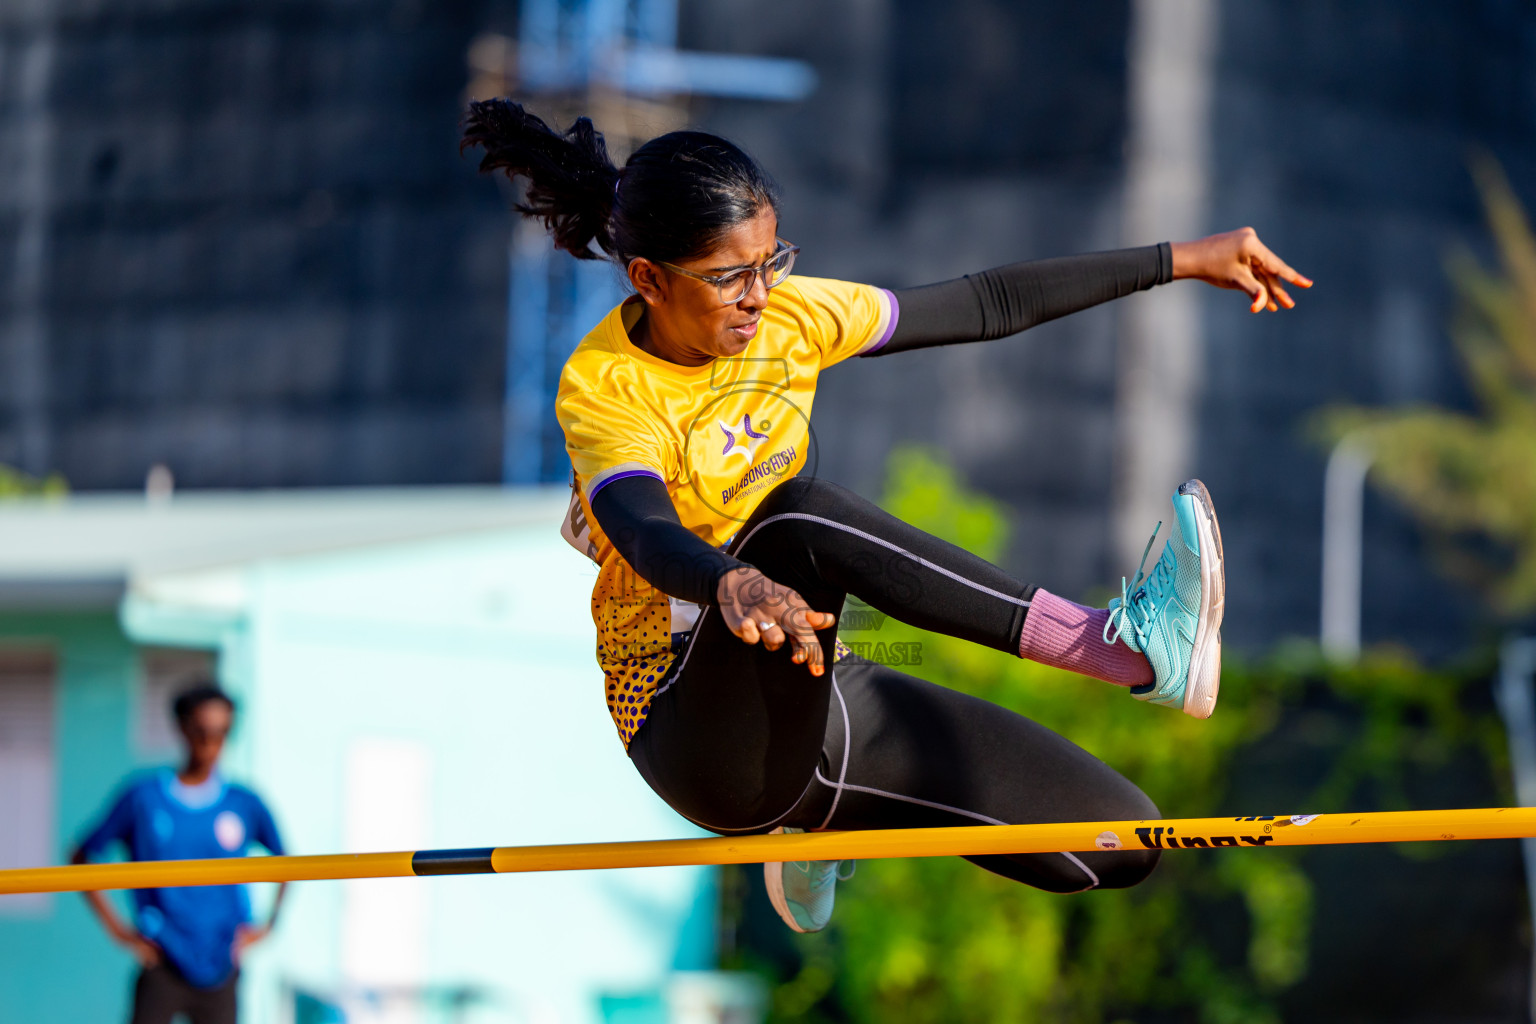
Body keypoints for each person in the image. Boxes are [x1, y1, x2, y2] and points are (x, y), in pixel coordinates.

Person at [461, 100, 1310, 933]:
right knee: (793, 520)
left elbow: (984, 304)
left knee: (1121, 841)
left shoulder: (789, 316)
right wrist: (732, 583)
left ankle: (814, 831)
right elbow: (645, 530)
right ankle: (1120, 649)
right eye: (730, 278)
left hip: (812, 692)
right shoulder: (606, 387)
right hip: (689, 719)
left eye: (770, 262)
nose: (758, 296)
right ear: (649, 278)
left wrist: (1181, 258)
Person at [72, 684, 287, 1024]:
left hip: (220, 963)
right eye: (202, 731)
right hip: (162, 959)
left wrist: (268, 925)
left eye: (222, 732)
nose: (211, 743)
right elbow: (81, 856)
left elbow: (285, 863)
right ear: (183, 728)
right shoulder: (144, 798)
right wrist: (120, 931)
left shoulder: (243, 803)